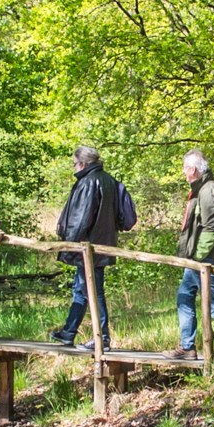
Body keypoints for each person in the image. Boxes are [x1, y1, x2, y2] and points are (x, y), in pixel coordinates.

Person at [49, 145, 120, 352]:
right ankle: (69, 332)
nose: (74, 167)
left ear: (83, 163)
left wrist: (68, 245)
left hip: (88, 247)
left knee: (93, 291)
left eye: (75, 163)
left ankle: (103, 338)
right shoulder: (108, 180)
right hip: (100, 243)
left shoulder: (88, 182)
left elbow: (81, 219)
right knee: (81, 289)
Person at [172, 150, 214, 361]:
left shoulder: (209, 189)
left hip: (203, 259)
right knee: (184, 298)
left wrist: (198, 258)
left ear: (193, 169)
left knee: (212, 302)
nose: (184, 173)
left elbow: (210, 228)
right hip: (196, 258)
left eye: (185, 168)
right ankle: (188, 347)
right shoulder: (201, 188)